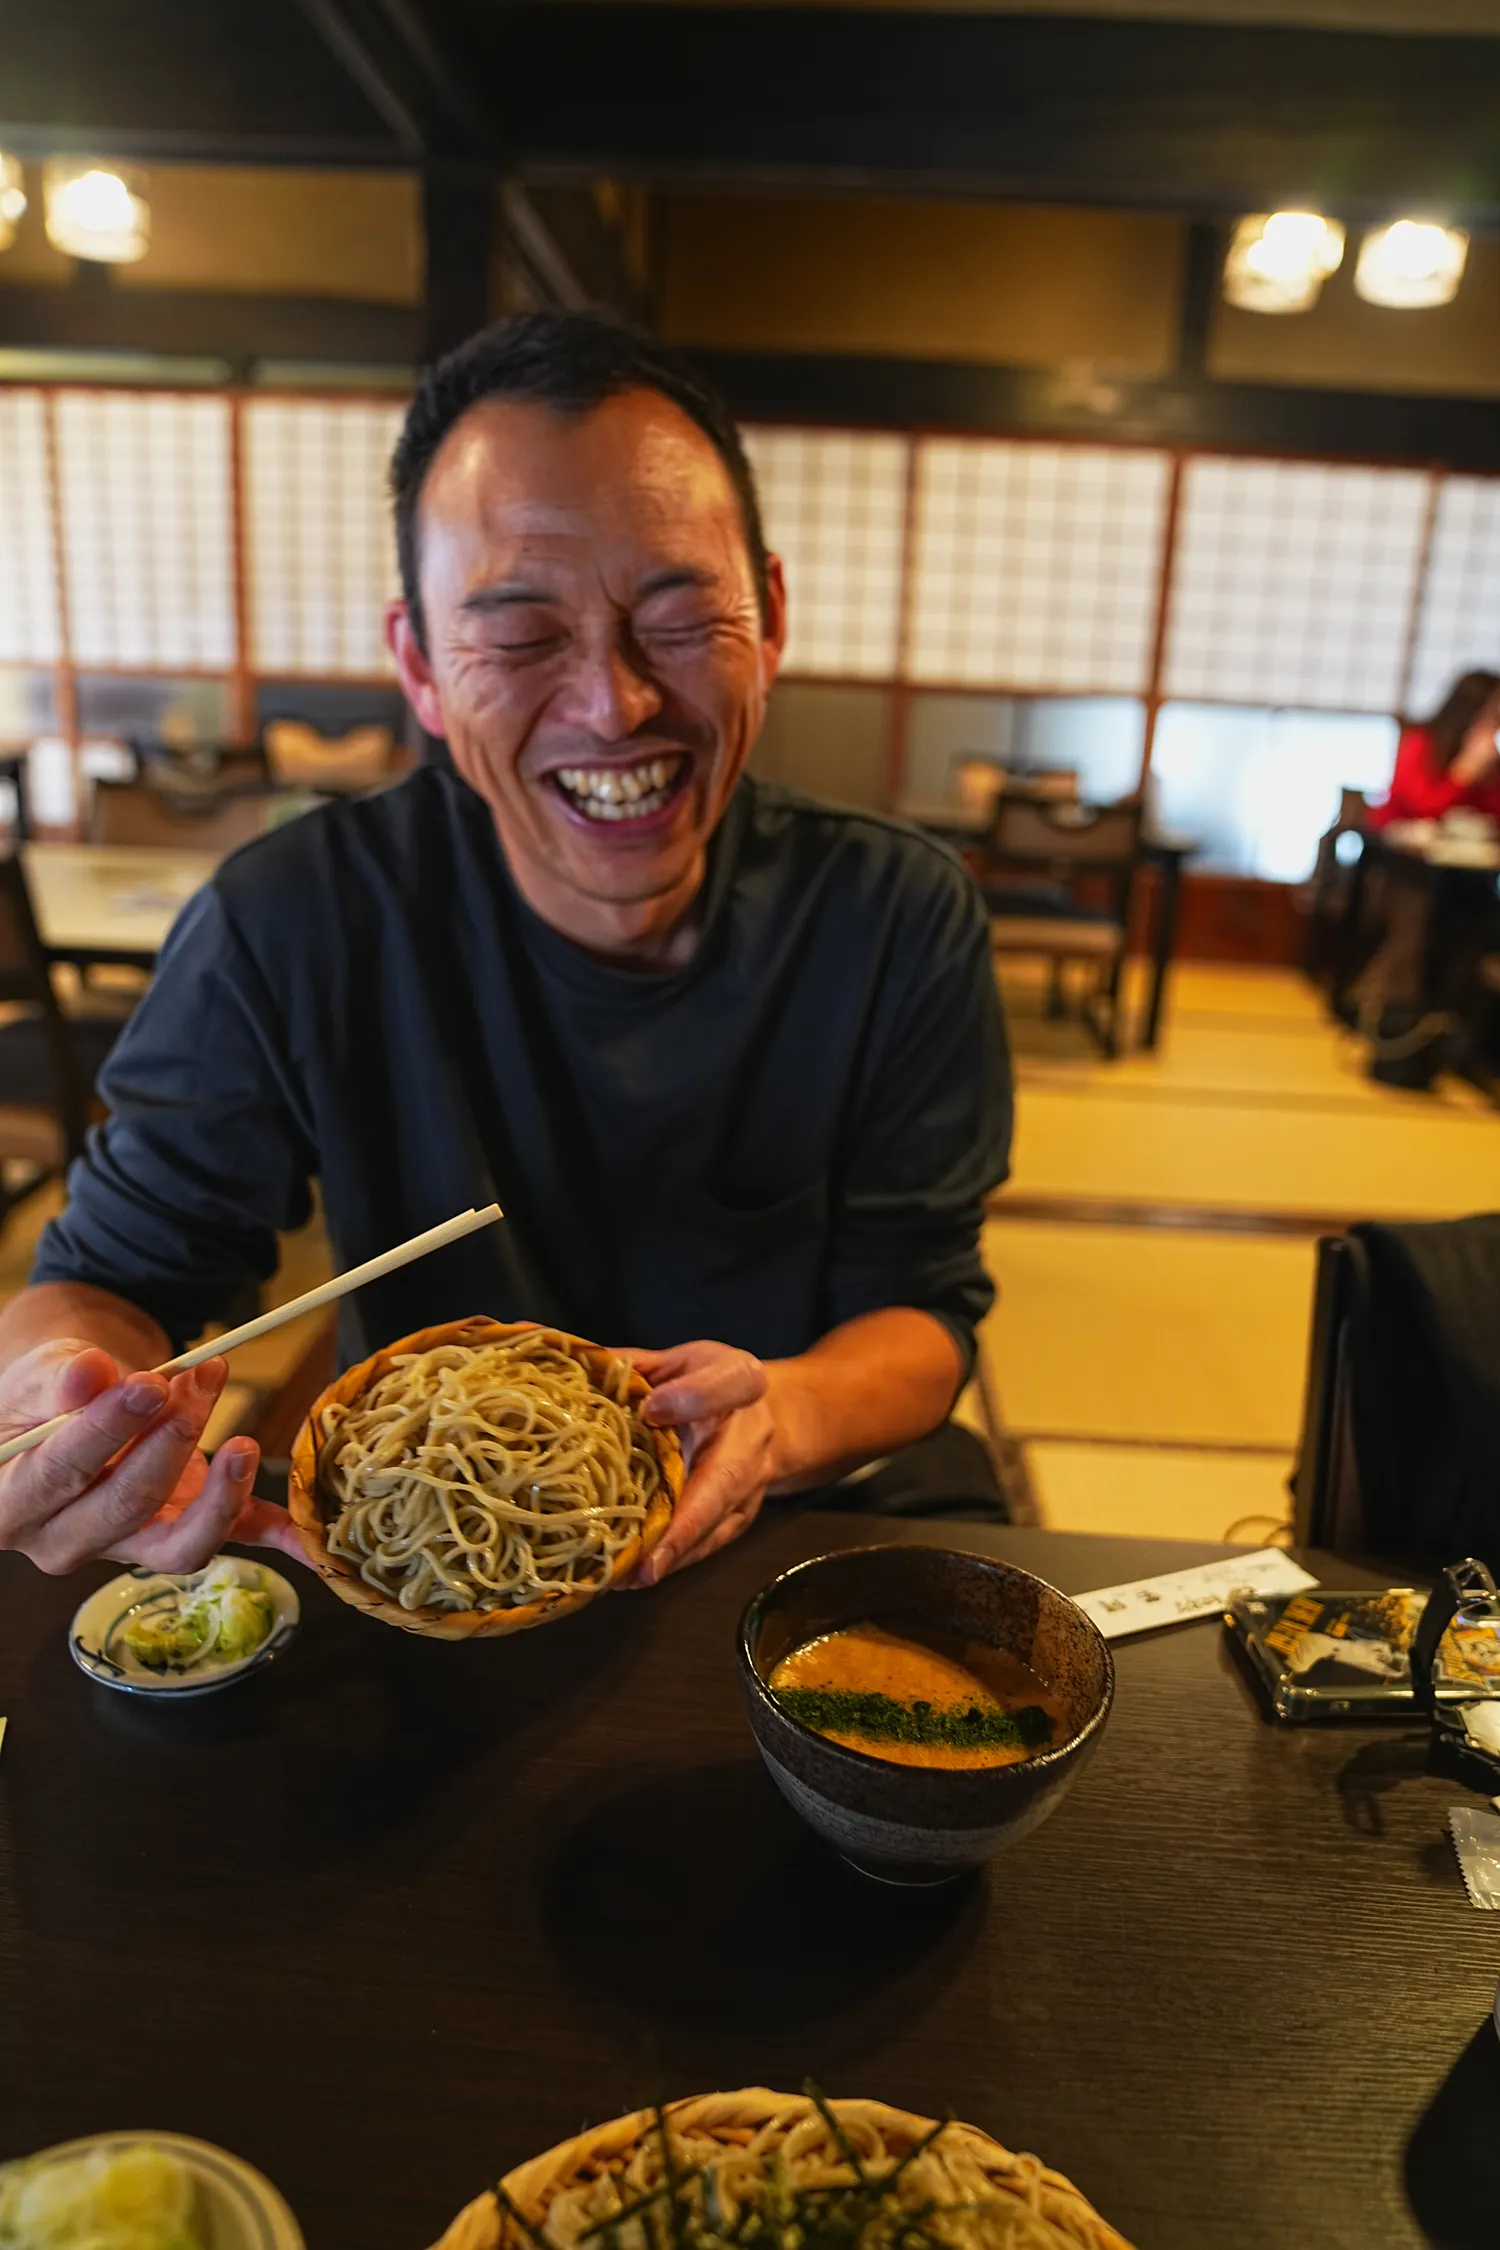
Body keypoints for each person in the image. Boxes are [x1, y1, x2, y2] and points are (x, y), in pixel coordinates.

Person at [0, 312, 1012, 1586]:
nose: (615, 702)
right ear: (419, 665)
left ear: (774, 614)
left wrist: (780, 1419)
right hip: (441, 1537)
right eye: (522, 636)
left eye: (680, 614)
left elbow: (919, 1310)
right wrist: (63, 1392)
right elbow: (110, 1276)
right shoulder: (294, 917)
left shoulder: (894, 912)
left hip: (811, 1507)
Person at [1370, 670, 1500, 829]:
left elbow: (1492, 819)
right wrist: (1464, 772)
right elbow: (1419, 810)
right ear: (1470, 710)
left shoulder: (1491, 757)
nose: (1494, 725)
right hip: (1399, 845)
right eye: (1490, 716)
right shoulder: (1421, 743)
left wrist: (1489, 777)